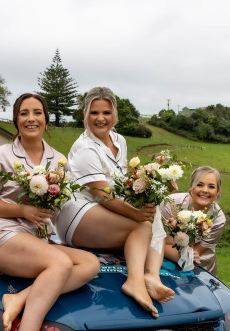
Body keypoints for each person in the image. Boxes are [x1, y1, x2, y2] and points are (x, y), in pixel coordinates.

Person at [0, 93, 100, 331]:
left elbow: (59, 208)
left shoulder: (58, 160)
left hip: (36, 240)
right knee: (60, 263)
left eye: (37, 112)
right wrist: (23, 210)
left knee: (90, 264)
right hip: (1, 234)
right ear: (16, 120)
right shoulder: (2, 154)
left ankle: (20, 297)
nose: (31, 118)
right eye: (24, 113)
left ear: (46, 118)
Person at [55, 87, 174, 318]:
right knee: (142, 224)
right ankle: (134, 281)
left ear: (114, 114)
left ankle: (152, 276)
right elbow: (102, 195)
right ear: (85, 114)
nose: (100, 118)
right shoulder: (85, 148)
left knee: (153, 215)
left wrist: (149, 191)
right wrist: (136, 214)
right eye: (94, 112)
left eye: (106, 112)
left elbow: (123, 183)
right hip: (78, 213)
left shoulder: (119, 141)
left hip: (104, 210)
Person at [160, 166, 226, 275]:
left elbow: (194, 254)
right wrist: (184, 256)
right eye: (199, 185)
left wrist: (187, 256)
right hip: (163, 261)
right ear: (191, 187)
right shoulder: (170, 203)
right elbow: (164, 243)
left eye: (211, 186)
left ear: (217, 191)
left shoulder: (218, 219)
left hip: (199, 268)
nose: (205, 190)